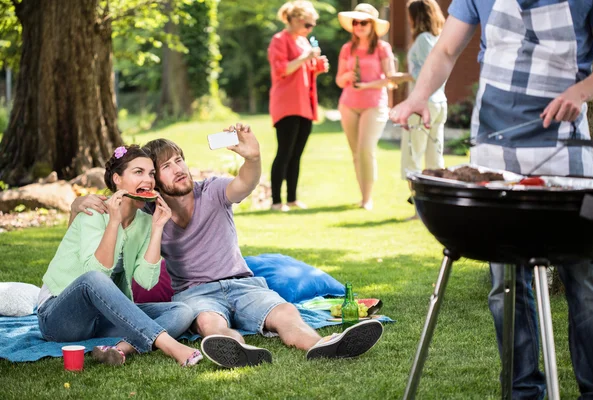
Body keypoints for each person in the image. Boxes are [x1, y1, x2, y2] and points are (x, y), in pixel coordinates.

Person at [390, 1, 593, 398]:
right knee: (505, 285)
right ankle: (522, 392)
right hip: (494, 151)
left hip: (565, 149)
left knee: (583, 280)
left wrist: (582, 90)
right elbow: (447, 50)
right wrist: (419, 95)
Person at [71, 124, 384, 369]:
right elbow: (115, 203)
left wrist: (253, 157)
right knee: (210, 323)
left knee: (286, 312)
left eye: (179, 160)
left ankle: (322, 346)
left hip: (243, 284)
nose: (178, 168)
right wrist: (81, 202)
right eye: (166, 166)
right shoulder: (150, 214)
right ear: (153, 179)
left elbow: (244, 182)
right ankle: (239, 350)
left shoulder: (213, 191)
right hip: (195, 294)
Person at [37, 145, 202, 367]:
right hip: (59, 317)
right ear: (117, 179)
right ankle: (171, 346)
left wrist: (157, 229)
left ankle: (120, 350)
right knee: (95, 278)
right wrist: (113, 222)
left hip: (103, 317)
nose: (149, 180)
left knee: (182, 311)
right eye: (138, 172)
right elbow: (94, 274)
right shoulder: (93, 213)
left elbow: (147, 280)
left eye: (151, 173)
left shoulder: (144, 221)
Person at [268, 0, 329, 212]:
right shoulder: (279, 40)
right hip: (287, 104)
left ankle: (292, 198)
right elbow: (282, 70)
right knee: (284, 152)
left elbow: (306, 71)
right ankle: (276, 201)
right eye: (307, 25)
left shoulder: (304, 42)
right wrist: (305, 57)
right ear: (294, 20)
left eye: (312, 26)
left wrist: (318, 67)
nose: (310, 29)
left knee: (297, 153)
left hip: (305, 104)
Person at [335, 3, 395, 211]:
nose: (359, 26)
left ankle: (368, 199)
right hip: (349, 104)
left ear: (372, 25)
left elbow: (390, 80)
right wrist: (347, 76)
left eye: (363, 22)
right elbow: (339, 81)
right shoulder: (346, 48)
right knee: (355, 153)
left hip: (374, 104)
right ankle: (362, 195)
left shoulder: (382, 48)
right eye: (355, 22)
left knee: (365, 150)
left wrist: (367, 84)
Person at [396, 0, 447, 220]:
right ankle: (436, 208)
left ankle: (421, 211)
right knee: (434, 156)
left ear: (416, 16)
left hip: (423, 106)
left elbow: (429, 73)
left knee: (413, 157)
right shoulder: (437, 38)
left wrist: (403, 77)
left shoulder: (425, 39)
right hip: (437, 103)